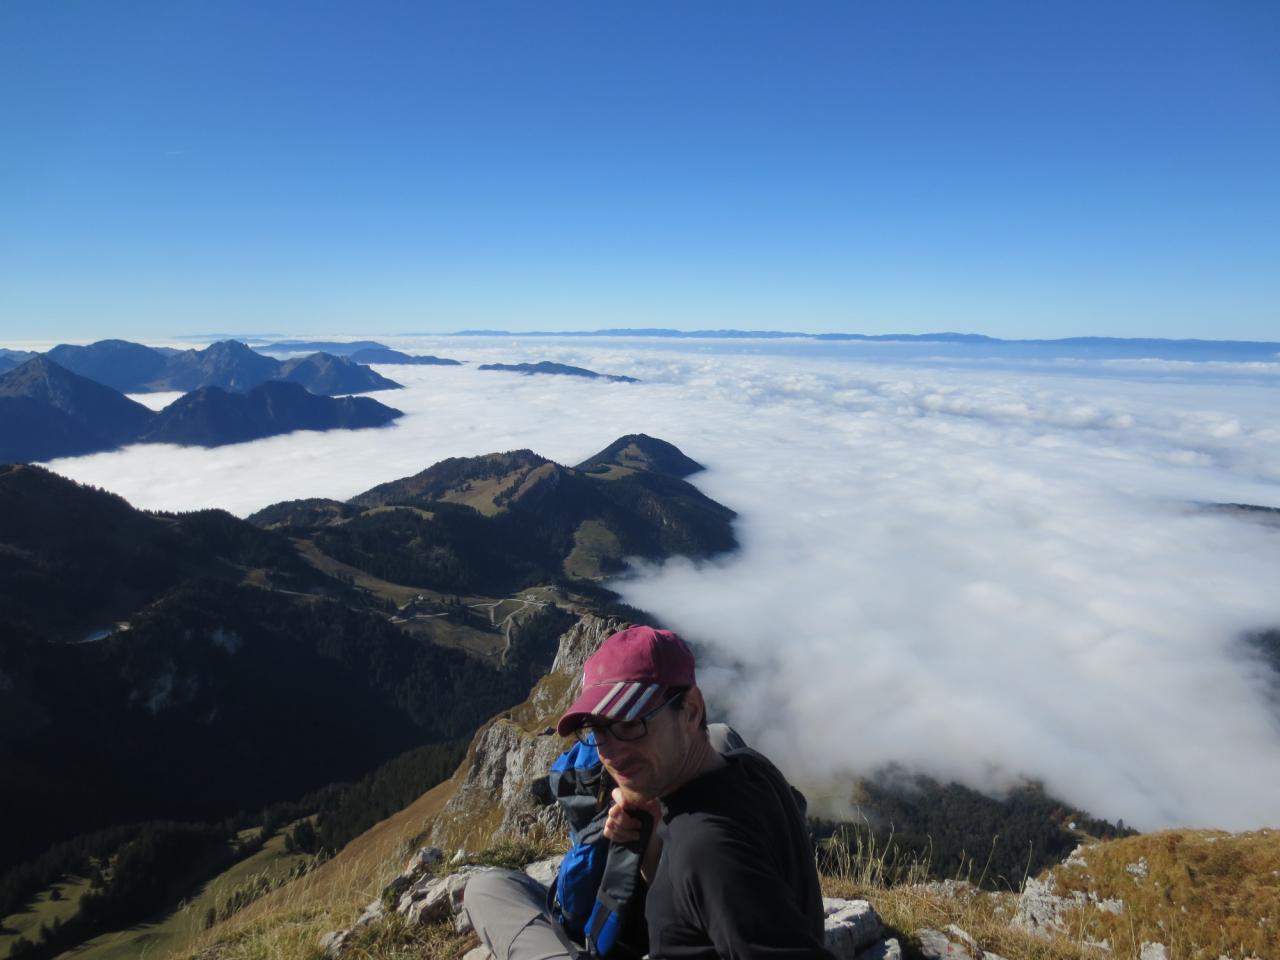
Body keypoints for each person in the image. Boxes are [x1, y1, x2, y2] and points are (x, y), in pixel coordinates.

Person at [463, 624, 833, 960]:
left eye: (630, 723)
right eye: (598, 729)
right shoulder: (753, 768)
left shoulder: (705, 849)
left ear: (690, 710)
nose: (609, 751)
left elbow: (709, 871)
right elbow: (690, 905)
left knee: (488, 888)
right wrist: (651, 832)